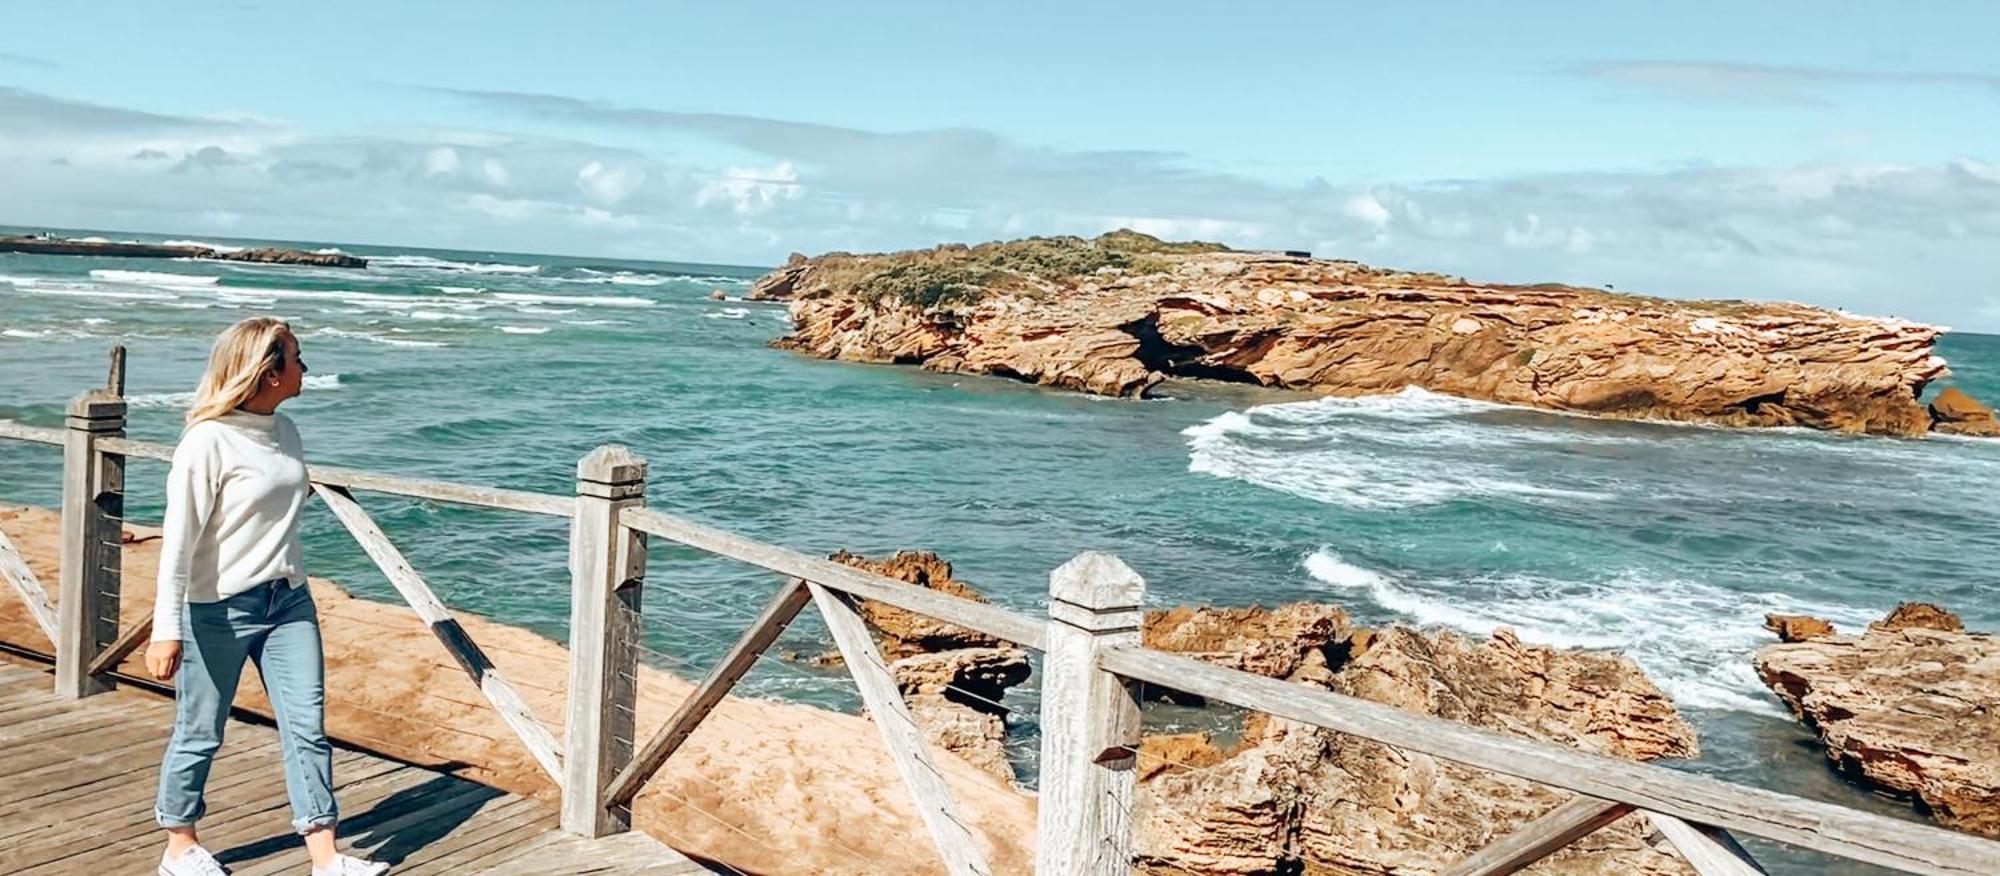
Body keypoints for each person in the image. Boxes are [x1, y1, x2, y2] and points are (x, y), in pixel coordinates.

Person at [143, 317, 388, 876]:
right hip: (219, 608)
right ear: (268, 371)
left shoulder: (286, 430)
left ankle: (325, 857)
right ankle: (179, 844)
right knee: (200, 731)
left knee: (307, 728)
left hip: (289, 603)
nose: (305, 368)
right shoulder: (206, 442)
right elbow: (177, 546)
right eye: (297, 358)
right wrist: (166, 629)